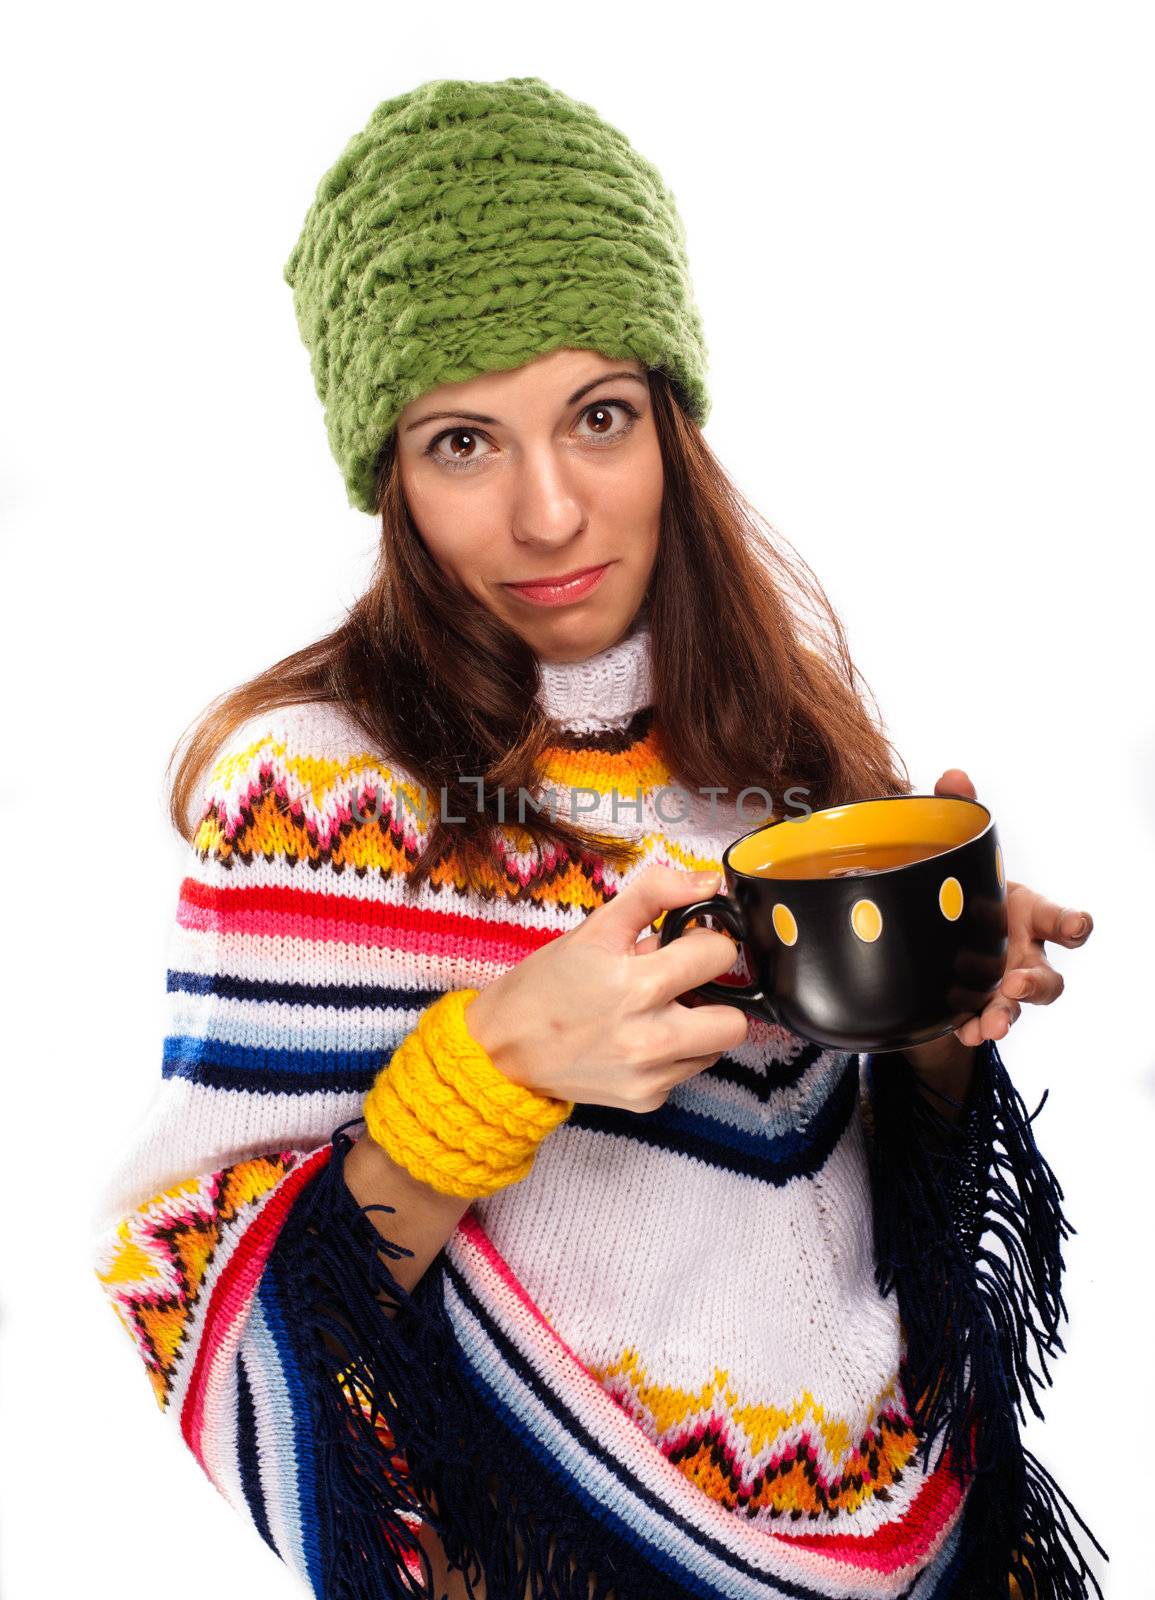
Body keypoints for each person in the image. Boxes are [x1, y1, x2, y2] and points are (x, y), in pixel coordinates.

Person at [89, 76, 1108, 1600]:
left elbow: (842, 1224)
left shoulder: (789, 753)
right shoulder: (316, 786)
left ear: (671, 418)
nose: (552, 512)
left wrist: (942, 1022)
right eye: (461, 443)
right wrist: (494, 1067)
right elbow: (196, 1290)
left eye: (599, 417)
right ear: (388, 475)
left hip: (937, 1548)